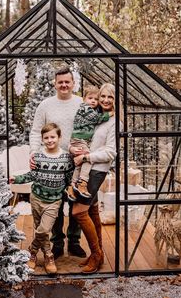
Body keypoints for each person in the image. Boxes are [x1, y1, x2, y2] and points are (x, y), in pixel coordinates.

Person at [29, 66, 86, 260]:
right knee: (55, 203)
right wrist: (34, 153)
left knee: (76, 203)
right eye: (60, 82)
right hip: (52, 163)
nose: (63, 85)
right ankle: (58, 242)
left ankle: (75, 242)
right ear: (55, 83)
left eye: (67, 82)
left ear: (73, 83)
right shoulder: (45, 105)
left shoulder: (81, 103)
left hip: (77, 162)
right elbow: (36, 131)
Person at [12, 123, 74, 274]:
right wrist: (17, 179)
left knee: (44, 229)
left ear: (59, 138)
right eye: (46, 137)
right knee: (41, 230)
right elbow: (32, 175)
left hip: (54, 201)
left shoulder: (66, 157)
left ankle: (32, 250)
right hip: (36, 198)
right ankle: (48, 255)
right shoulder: (38, 156)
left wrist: (71, 188)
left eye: (53, 137)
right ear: (42, 139)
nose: (49, 140)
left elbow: (69, 178)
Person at [72, 83, 118, 274]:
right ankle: (95, 255)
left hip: (96, 170)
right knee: (92, 212)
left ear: (116, 100)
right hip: (85, 167)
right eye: (103, 96)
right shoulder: (95, 116)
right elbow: (82, 137)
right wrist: (73, 149)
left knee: (78, 212)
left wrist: (86, 157)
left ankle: (97, 254)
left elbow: (110, 152)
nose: (106, 100)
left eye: (110, 97)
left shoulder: (114, 122)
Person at [66, 85, 112, 201]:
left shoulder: (92, 109)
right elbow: (96, 118)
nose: (93, 101)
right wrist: (109, 115)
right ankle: (82, 182)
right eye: (90, 98)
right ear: (84, 99)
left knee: (80, 163)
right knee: (86, 157)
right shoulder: (85, 109)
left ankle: (72, 186)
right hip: (80, 139)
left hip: (80, 140)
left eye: (96, 99)